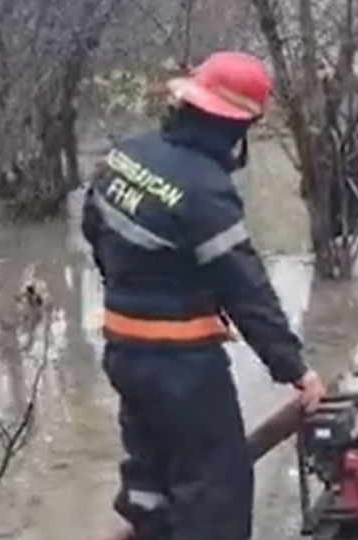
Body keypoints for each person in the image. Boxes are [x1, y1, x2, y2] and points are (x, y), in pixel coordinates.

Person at [81, 51, 326, 540]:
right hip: (182, 368)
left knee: (151, 474)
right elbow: (246, 289)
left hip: (123, 352)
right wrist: (296, 370)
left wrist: (137, 295)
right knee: (217, 487)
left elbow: (94, 231)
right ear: (237, 128)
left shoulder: (125, 153)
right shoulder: (205, 191)